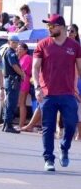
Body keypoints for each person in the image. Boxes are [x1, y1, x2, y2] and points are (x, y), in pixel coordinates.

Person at [32, 14, 81, 172]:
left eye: (51, 26)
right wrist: (37, 87)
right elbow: (35, 67)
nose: (49, 29)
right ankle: (48, 159)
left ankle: (64, 147)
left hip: (68, 93)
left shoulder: (74, 46)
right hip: (48, 93)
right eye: (48, 26)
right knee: (48, 127)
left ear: (61, 27)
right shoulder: (42, 44)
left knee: (71, 124)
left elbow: (80, 69)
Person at [1, 34, 25, 133]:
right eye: (13, 42)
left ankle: (6, 124)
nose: (15, 44)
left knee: (10, 103)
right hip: (12, 80)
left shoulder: (10, 52)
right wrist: (22, 74)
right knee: (11, 103)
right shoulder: (10, 53)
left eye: (16, 42)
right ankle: (8, 125)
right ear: (9, 42)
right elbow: (14, 65)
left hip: (11, 80)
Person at [17, 42, 34, 129]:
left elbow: (23, 70)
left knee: (22, 103)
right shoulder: (20, 57)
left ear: (25, 50)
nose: (18, 50)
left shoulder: (27, 57)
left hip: (24, 81)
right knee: (20, 103)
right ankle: (20, 123)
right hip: (20, 81)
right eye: (18, 49)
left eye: (20, 49)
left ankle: (21, 124)